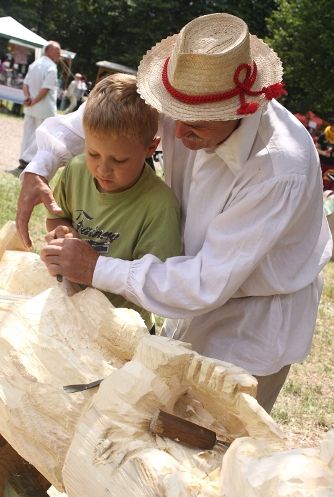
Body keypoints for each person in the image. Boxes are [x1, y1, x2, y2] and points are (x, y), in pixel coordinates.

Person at [16, 13, 332, 413]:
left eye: (196, 126)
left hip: (252, 321)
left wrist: (97, 268)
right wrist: (40, 165)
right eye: (172, 115)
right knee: (153, 424)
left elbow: (206, 282)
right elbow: (93, 119)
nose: (175, 135)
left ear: (242, 109)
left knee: (211, 450)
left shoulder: (277, 167)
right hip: (185, 296)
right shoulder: (180, 93)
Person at [45, 73, 181, 333]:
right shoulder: (76, 170)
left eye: (119, 160)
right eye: (93, 153)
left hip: (124, 331)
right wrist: (62, 232)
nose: (102, 169)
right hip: (69, 315)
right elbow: (58, 215)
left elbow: (156, 283)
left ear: (151, 147)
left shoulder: (160, 205)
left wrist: (93, 267)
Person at [18, 41, 61, 170]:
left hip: (31, 106)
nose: (60, 53)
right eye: (57, 51)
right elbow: (46, 88)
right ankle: (27, 159)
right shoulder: (51, 67)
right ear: (48, 51)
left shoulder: (34, 64)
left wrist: (28, 99)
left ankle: (23, 158)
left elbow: (25, 84)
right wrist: (34, 100)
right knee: (43, 134)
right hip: (44, 108)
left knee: (28, 133)